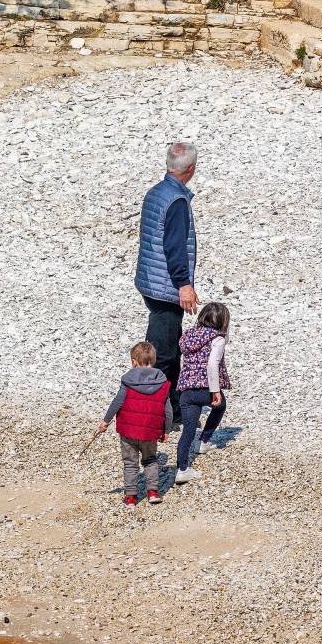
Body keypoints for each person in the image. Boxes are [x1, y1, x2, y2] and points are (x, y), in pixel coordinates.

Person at [134, 141, 199, 427]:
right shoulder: (176, 200)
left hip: (150, 279)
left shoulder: (157, 192)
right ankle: (155, 412)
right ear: (192, 169)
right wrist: (184, 285)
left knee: (168, 345)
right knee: (164, 352)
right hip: (165, 286)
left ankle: (172, 407)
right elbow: (174, 247)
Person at [98, 341, 173, 507]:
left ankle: (131, 496)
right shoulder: (161, 382)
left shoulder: (128, 381)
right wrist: (166, 430)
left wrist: (105, 421)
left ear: (133, 361)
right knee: (151, 460)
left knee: (130, 463)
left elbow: (117, 402)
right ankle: (153, 491)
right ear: (153, 361)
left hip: (128, 431)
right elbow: (167, 409)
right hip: (150, 432)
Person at [173, 302, 232, 485]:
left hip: (185, 390)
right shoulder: (217, 338)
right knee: (220, 406)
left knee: (187, 431)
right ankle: (204, 440)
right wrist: (215, 391)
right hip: (204, 388)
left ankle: (182, 469)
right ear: (223, 321)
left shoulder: (189, 336)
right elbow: (212, 364)